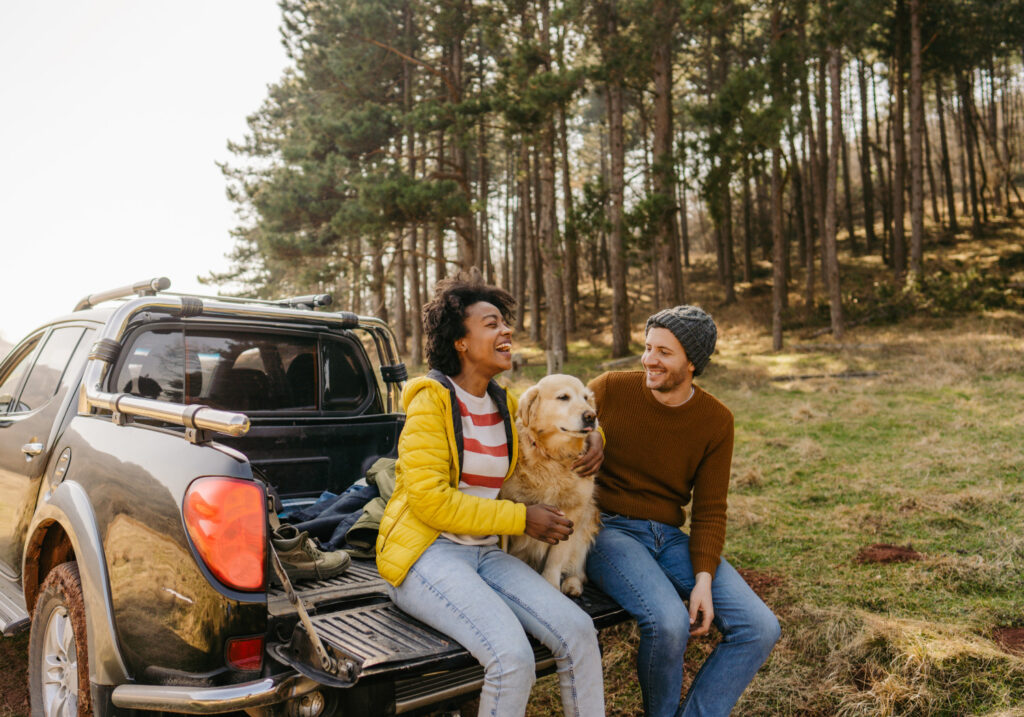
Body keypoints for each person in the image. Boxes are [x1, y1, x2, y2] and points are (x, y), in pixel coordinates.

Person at [376, 275, 605, 717]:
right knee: (511, 657)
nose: (506, 332)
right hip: (426, 554)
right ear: (460, 341)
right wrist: (521, 519)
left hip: (484, 552)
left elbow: (559, 412)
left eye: (505, 323)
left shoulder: (502, 402)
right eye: (491, 323)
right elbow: (431, 502)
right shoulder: (431, 403)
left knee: (578, 632)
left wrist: (597, 437)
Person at [584, 305, 780, 717]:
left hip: (668, 536)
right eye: (647, 347)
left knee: (759, 628)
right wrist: (592, 437)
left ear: (692, 362)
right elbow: (559, 427)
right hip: (606, 529)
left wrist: (703, 579)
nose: (649, 360)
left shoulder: (715, 420)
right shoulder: (609, 389)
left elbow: (710, 510)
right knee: (669, 622)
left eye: (664, 352)